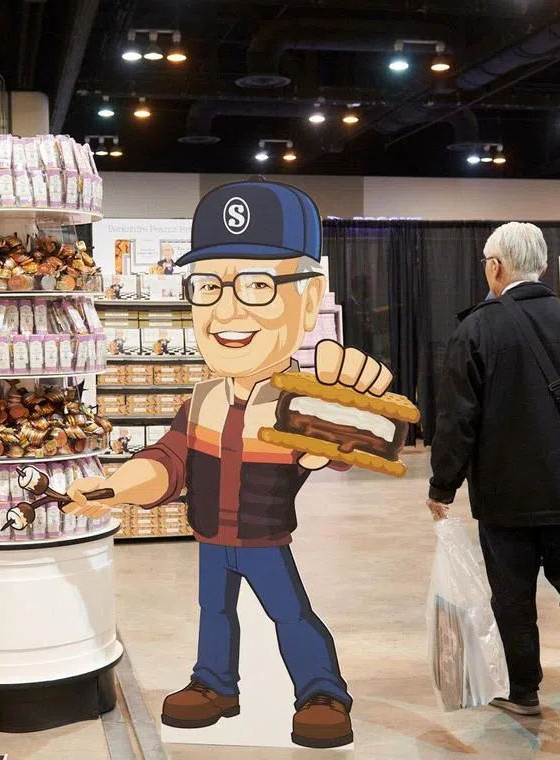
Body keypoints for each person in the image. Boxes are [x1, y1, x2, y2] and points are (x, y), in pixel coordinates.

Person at [66, 179, 401, 749]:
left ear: (310, 294)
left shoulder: (300, 401)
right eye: (208, 286)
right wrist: (116, 486)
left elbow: (359, 444)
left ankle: (322, 691)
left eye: (257, 285)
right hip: (210, 536)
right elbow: (168, 461)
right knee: (213, 613)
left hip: (265, 537)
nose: (226, 310)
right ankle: (214, 683)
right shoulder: (201, 398)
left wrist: (353, 406)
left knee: (291, 614)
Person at [427, 222, 560, 748]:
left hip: (505, 495)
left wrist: (443, 486)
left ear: (496, 266)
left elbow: (457, 419)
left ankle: (525, 690)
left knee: (512, 595)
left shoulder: (476, 331)